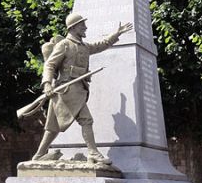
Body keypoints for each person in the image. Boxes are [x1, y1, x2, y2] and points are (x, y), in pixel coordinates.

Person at [32, 12, 132, 163]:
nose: (85, 27)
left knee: (53, 127)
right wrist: (47, 83)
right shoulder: (64, 45)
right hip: (66, 90)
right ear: (73, 27)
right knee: (86, 119)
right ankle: (93, 153)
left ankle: (39, 155)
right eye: (82, 25)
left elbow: (102, 45)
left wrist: (116, 34)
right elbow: (50, 64)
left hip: (79, 89)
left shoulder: (84, 46)